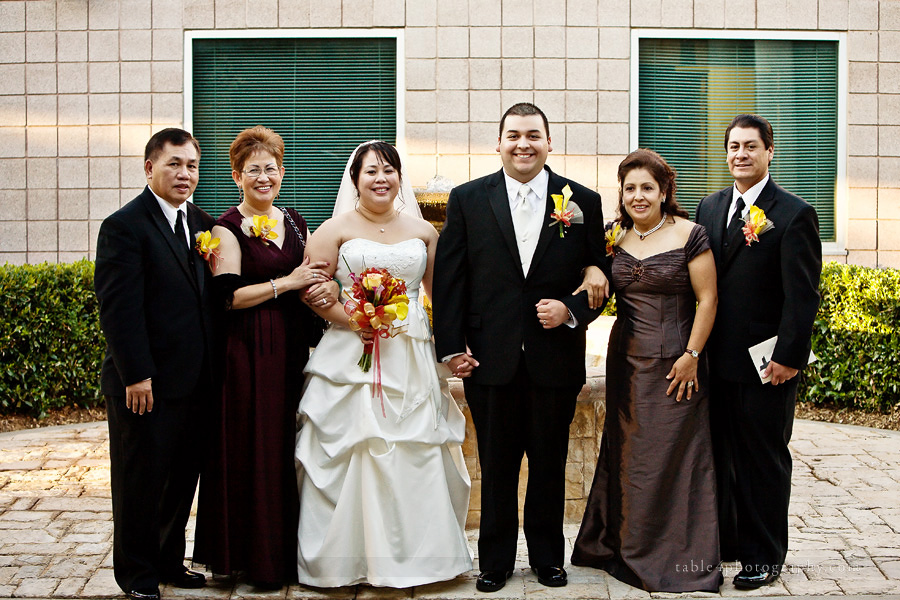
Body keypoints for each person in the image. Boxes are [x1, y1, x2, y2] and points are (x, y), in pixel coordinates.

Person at [432, 103, 607, 593]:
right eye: (514, 135)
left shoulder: (583, 203)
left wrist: (571, 309)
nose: (523, 144)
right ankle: (495, 562)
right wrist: (451, 347)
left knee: (550, 464)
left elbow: (601, 276)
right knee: (497, 464)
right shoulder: (467, 199)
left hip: (554, 357)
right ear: (499, 143)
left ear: (549, 142)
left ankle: (549, 559)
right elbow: (451, 278)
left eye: (533, 135)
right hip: (491, 357)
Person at [294, 141, 472, 588]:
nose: (381, 178)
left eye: (389, 170)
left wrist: (456, 347)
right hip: (351, 358)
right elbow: (311, 292)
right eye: (370, 171)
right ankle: (348, 561)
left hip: (408, 355)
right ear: (355, 180)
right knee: (356, 449)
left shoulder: (425, 232)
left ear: (399, 178)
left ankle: (417, 560)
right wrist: (356, 319)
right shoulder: (333, 229)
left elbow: (440, 297)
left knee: (411, 450)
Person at [192, 126, 336, 588]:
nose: (263, 177)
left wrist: (323, 289)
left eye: (270, 168)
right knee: (254, 446)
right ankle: (253, 561)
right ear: (236, 175)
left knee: (286, 449)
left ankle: (287, 555)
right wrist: (286, 284)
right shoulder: (225, 228)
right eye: (252, 169)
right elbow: (229, 297)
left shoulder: (295, 220)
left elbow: (310, 276)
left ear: (282, 171)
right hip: (248, 352)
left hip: (291, 348)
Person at [570, 149, 721, 592]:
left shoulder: (691, 233)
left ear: (664, 191)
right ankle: (622, 542)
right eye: (630, 188)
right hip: (626, 364)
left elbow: (708, 299)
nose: (638, 196)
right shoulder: (614, 236)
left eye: (647, 188)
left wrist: (692, 354)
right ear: (622, 193)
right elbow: (591, 275)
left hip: (678, 364)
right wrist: (593, 266)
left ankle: (674, 553)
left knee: (673, 458)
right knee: (630, 457)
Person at [695, 114, 822, 590]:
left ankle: (764, 555)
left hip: (765, 365)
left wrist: (788, 356)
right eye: (733, 146)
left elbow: (803, 295)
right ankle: (729, 543)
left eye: (751, 146)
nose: (740, 154)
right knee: (722, 456)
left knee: (763, 459)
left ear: (770, 152)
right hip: (714, 362)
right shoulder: (709, 208)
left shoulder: (792, 213)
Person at [95, 128, 215, 600]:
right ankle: (138, 575)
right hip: (145, 383)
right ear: (150, 168)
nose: (185, 174)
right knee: (139, 481)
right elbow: (118, 308)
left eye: (191, 166)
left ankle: (169, 560)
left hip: (194, 381)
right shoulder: (124, 226)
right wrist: (137, 374)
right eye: (174, 164)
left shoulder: (204, 225)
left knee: (182, 479)